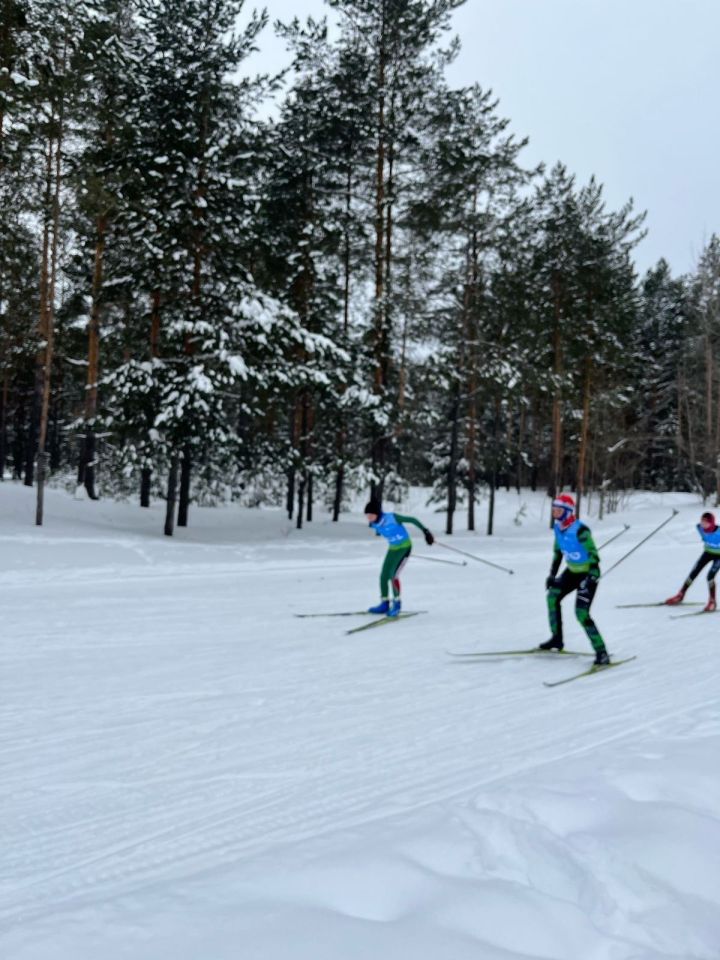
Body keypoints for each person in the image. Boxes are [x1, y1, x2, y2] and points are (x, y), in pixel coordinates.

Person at [539, 493, 610, 665]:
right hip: (571, 572)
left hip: (588, 574)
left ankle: (602, 652)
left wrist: (591, 578)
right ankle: (557, 639)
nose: (554, 513)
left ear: (567, 511)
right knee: (552, 597)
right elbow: (558, 552)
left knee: (581, 613)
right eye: (553, 510)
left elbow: (594, 556)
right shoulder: (558, 528)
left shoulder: (580, 531)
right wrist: (552, 575)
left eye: (557, 510)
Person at [364, 498, 434, 617]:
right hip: (393, 548)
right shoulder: (373, 523)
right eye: (367, 515)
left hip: (405, 547)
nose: (368, 517)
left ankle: (397, 604)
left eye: (371, 514)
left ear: (377, 513)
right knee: (384, 575)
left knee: (393, 575)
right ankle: (385, 603)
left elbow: (412, 520)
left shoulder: (392, 518)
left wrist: (426, 531)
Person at [664, 511, 720, 611]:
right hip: (707, 553)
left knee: (710, 576)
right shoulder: (700, 528)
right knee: (693, 573)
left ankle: (712, 602)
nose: (703, 524)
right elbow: (702, 532)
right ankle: (680, 595)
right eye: (702, 521)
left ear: (711, 523)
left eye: (706, 522)